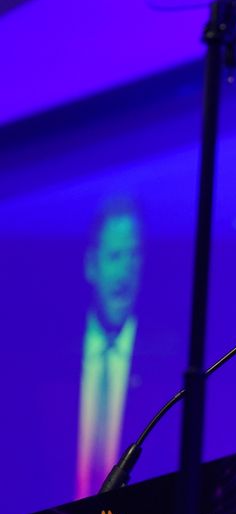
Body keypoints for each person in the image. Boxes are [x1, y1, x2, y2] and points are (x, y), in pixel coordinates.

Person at [76, 198, 143, 498]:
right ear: (91, 265)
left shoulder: (168, 362)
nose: (125, 272)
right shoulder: (47, 363)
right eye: (115, 256)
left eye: (134, 255)